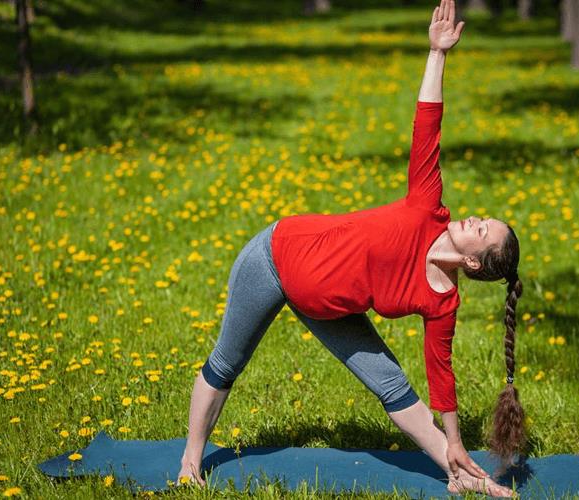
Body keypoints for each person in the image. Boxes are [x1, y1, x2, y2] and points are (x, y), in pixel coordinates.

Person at [178, 1, 523, 496]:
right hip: (276, 258)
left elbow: (440, 379)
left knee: (393, 387)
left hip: (332, 309)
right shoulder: (429, 207)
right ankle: (191, 462)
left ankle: (461, 475)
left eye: (484, 231)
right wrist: (437, 53)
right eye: (486, 218)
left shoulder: (442, 302)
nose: (476, 218)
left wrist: (456, 444)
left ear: (474, 261)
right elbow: (428, 124)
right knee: (227, 362)